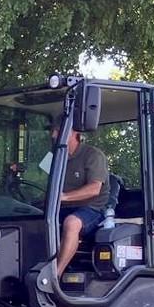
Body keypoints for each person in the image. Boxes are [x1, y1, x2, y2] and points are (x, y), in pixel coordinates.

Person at [52, 117, 109, 275]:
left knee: (71, 223)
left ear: (74, 133)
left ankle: (55, 275)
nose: (53, 135)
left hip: (91, 209)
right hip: (57, 208)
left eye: (58, 131)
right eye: (54, 131)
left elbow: (94, 189)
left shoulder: (93, 155)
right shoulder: (53, 156)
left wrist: (63, 197)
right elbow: (37, 177)